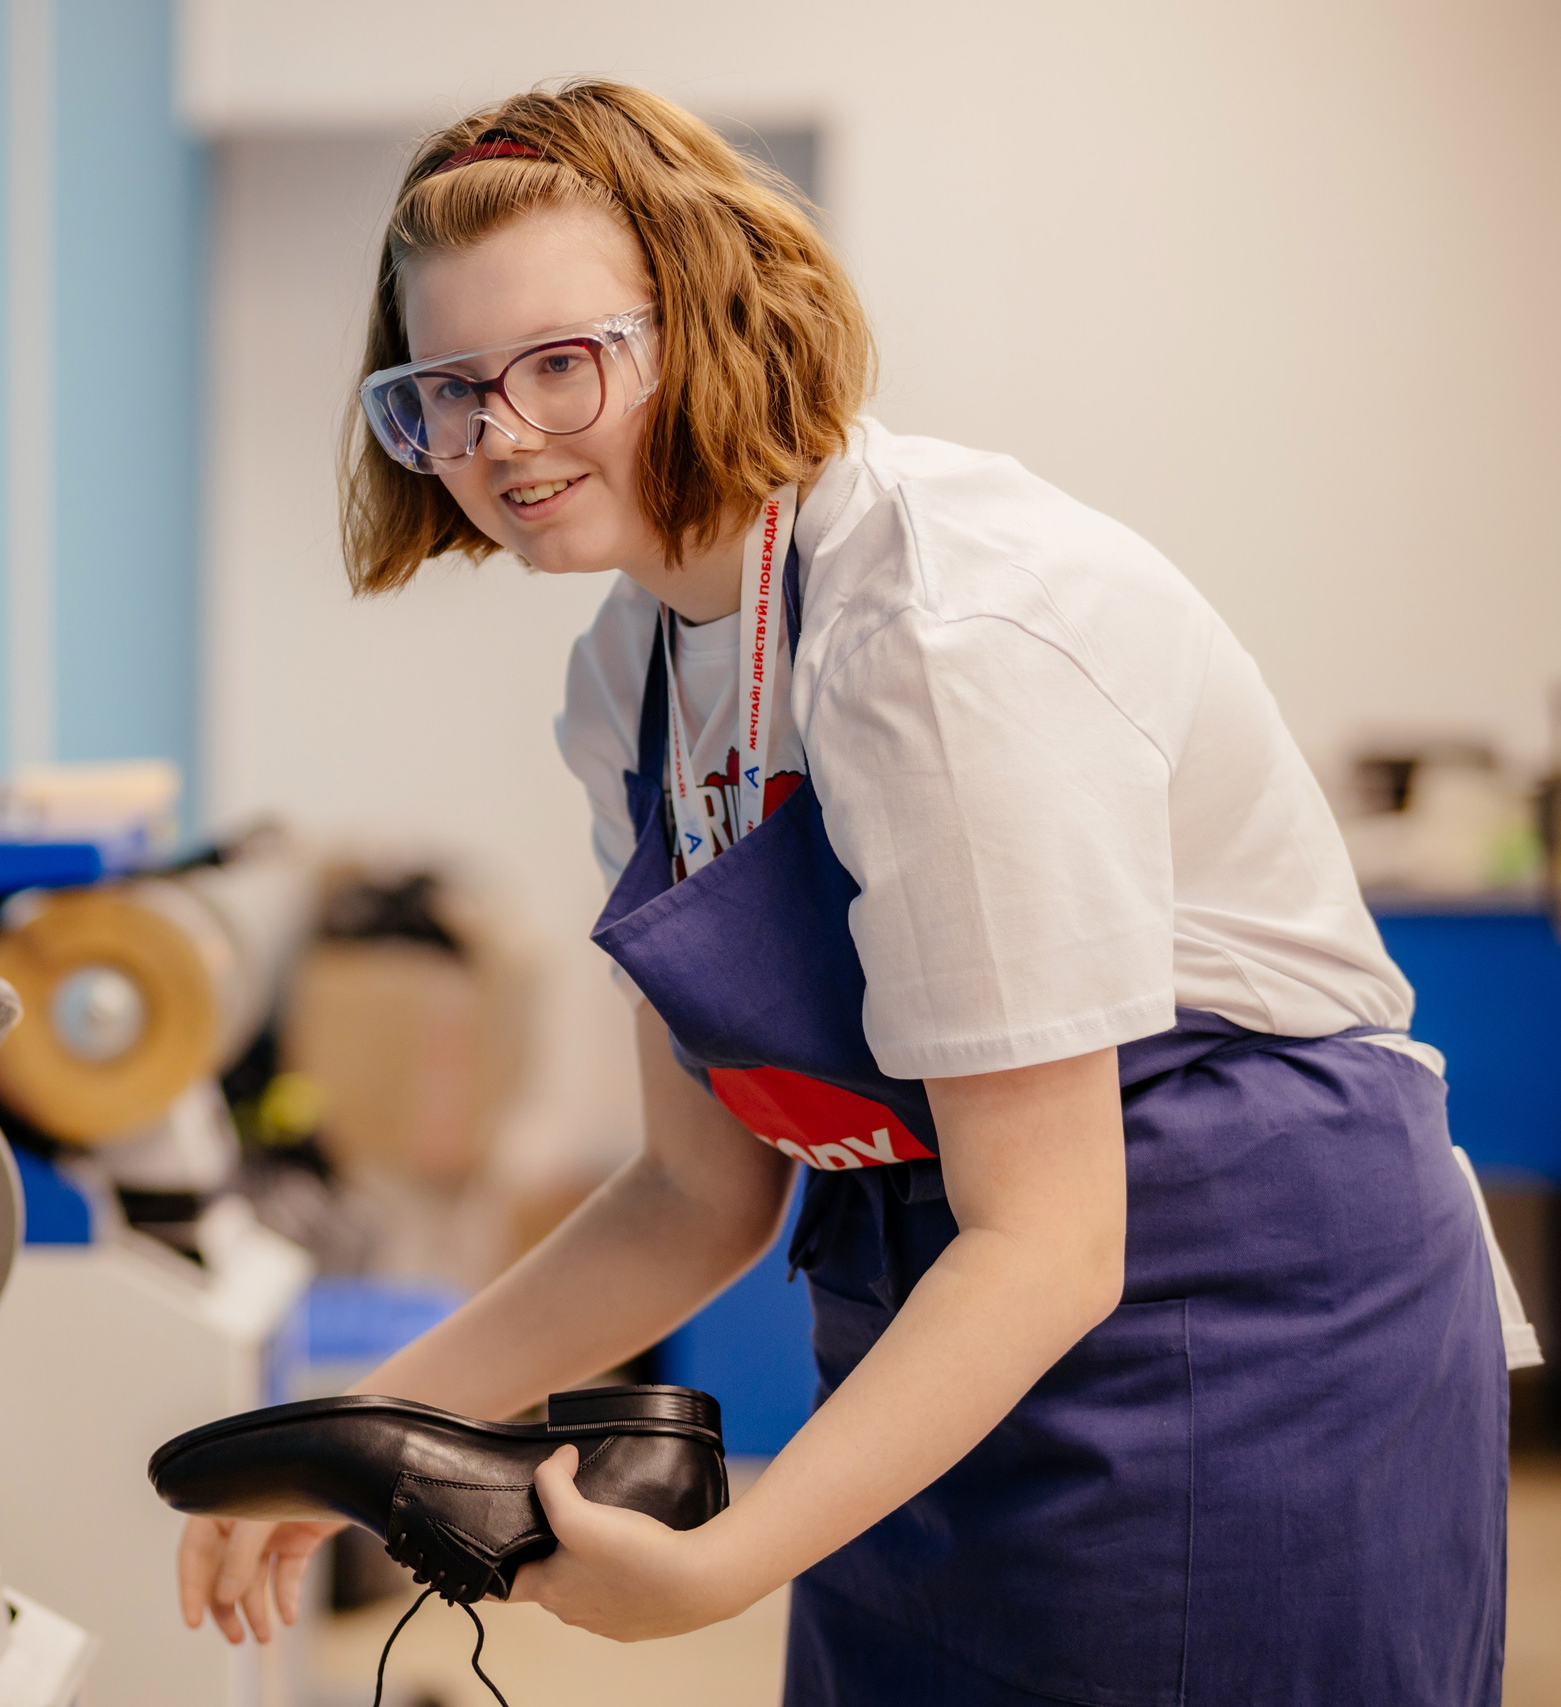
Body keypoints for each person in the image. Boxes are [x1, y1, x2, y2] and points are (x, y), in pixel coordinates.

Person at [174, 79, 1530, 1704]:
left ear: (704, 325)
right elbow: (697, 1193)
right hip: (933, 1313)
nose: (503, 437)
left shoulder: (937, 633)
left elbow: (1052, 1236)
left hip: (1231, 1324)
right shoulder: (628, 676)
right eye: (447, 391)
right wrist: (360, 1434)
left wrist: (723, 1566)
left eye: (561, 363)